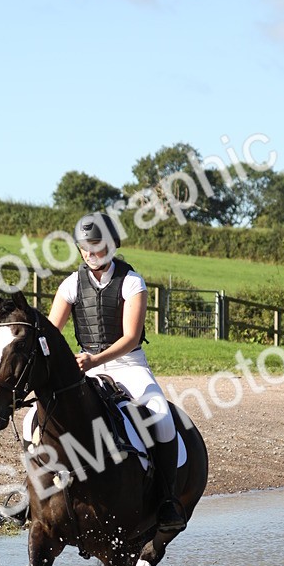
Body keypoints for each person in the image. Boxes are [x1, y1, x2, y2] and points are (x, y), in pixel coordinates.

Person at [48, 213, 186, 533]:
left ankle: (167, 499)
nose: (89, 253)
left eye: (95, 246)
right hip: (85, 367)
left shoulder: (131, 281)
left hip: (128, 365)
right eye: (84, 247)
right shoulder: (70, 284)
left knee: (161, 414)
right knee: (40, 417)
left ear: (111, 245)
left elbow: (130, 338)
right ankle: (38, 493)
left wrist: (94, 360)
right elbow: (53, 334)